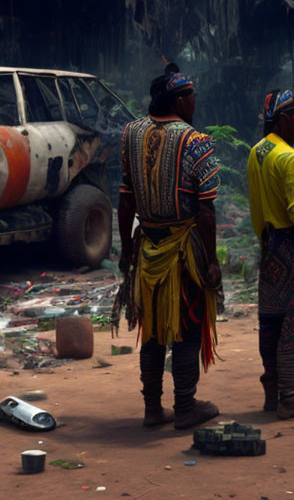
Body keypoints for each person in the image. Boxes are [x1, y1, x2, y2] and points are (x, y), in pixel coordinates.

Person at [116, 63, 221, 429]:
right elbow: (206, 210)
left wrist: (127, 251)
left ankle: (151, 408)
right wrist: (211, 261)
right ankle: (186, 407)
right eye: (192, 96)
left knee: (155, 328)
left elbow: (126, 199)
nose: (195, 102)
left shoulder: (131, 133)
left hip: (147, 247)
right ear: (180, 99)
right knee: (187, 327)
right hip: (183, 249)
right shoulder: (196, 141)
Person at [247, 89, 294, 419]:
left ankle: (271, 392)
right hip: (289, 247)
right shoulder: (289, 158)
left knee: (269, 322)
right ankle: (288, 397)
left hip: (267, 248)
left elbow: (257, 207)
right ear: (283, 119)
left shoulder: (256, 153)